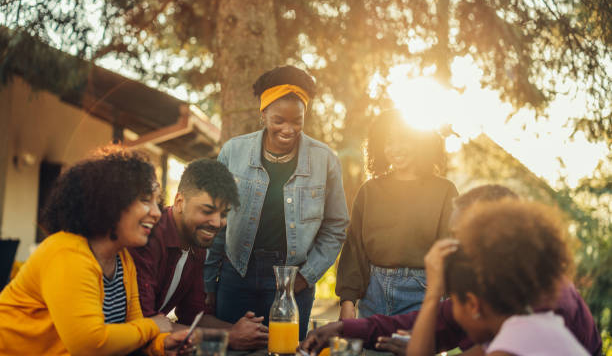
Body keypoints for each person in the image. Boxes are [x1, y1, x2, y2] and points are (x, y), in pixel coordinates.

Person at [301, 185, 602, 355]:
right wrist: (344, 327)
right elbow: (433, 321)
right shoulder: (493, 283)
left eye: (462, 234)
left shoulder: (546, 302)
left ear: (495, 233)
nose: (453, 243)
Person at [204, 65, 350, 339]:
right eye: (279, 120)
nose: (288, 129)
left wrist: (307, 276)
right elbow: (216, 222)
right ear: (263, 114)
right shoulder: (233, 152)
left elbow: (336, 227)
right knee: (233, 348)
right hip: (237, 275)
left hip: (292, 280)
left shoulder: (325, 160)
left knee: (283, 348)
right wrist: (209, 283)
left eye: (297, 121)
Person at [0, 147, 191, 355]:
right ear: (110, 201)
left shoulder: (123, 259)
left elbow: (134, 327)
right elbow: (89, 344)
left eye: (157, 202)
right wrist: (154, 326)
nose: (156, 212)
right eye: (145, 200)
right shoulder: (67, 252)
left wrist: (161, 345)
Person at [406, 200, 589, 355]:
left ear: (472, 304)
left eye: (453, 302)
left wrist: (432, 295)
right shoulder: (536, 328)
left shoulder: (512, 346)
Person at [129, 158, 268, 350]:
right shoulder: (149, 238)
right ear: (179, 202)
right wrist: (228, 337)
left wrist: (244, 332)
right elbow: (147, 323)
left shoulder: (197, 244)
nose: (217, 223)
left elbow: (193, 315)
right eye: (207, 211)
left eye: (224, 214)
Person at [336, 109, 458, 319]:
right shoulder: (369, 191)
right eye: (389, 142)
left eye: (404, 141)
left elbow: (450, 251)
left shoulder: (444, 191)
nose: (395, 149)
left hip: (422, 294)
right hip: (373, 294)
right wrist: (347, 301)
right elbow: (354, 249)